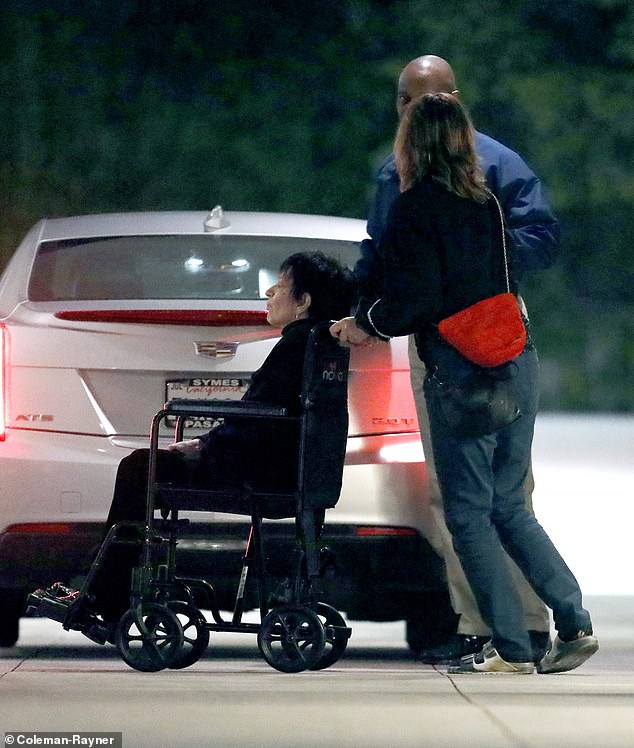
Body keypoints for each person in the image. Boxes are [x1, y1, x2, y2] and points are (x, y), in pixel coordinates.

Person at [331, 93, 598, 674]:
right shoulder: (488, 205)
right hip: (513, 358)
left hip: (458, 370)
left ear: (410, 142)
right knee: (511, 504)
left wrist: (364, 323)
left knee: (469, 513)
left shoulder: (413, 208)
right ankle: (573, 619)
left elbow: (416, 299)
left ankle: (511, 646)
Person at [42, 251, 356, 624]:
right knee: (149, 465)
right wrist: (204, 443)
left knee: (137, 468)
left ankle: (105, 597)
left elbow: (259, 421)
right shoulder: (325, 348)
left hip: (252, 472)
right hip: (294, 472)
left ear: (303, 301)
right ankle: (106, 591)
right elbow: (268, 420)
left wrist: (204, 446)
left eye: (281, 286)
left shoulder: (294, 346)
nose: (269, 292)